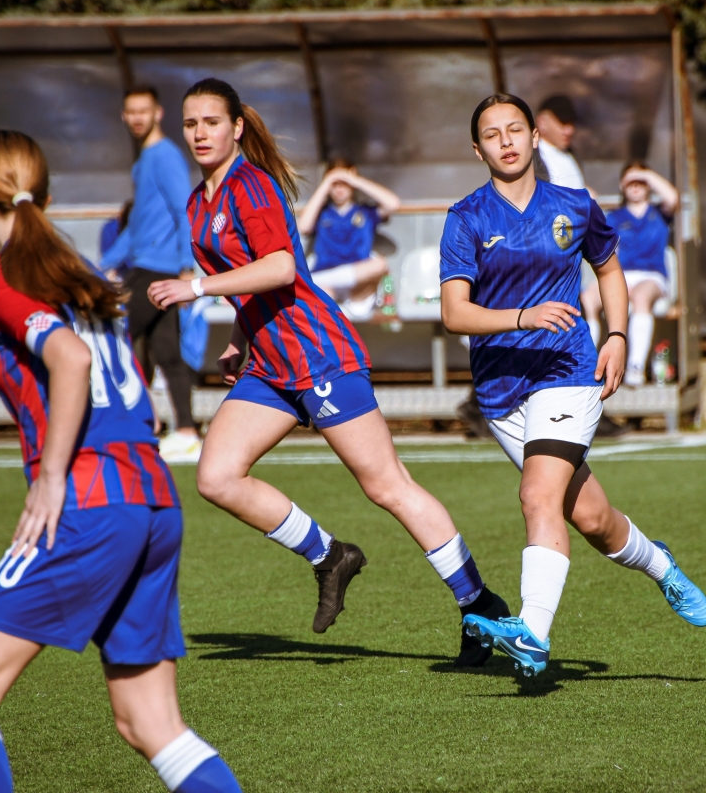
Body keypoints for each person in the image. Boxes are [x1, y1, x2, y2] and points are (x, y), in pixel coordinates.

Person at [146, 78, 509, 666]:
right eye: (190, 124)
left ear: (237, 126)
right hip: (270, 365)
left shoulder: (252, 185)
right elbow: (252, 280)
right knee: (216, 476)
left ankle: (480, 604)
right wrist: (241, 338)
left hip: (317, 355)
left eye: (211, 122)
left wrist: (197, 287)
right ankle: (330, 556)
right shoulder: (198, 201)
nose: (199, 134)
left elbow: (283, 267)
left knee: (386, 485)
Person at [0, 130, 242, 793]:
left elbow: (69, 360)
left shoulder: (1, 278)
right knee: (149, 724)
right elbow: (135, 400)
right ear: (45, 195)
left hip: (90, 502)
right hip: (154, 501)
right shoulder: (75, 274)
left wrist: (48, 480)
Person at [439, 94, 706, 678]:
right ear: (477, 149)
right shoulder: (466, 218)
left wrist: (615, 334)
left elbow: (608, 267)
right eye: (492, 134)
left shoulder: (576, 205)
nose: (506, 141)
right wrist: (521, 317)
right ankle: (662, 566)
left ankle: (532, 632)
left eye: (516, 129)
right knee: (591, 519)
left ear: (537, 137)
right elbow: (454, 314)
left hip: (566, 374)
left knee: (538, 498)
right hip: (500, 392)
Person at [101, 86, 201, 463]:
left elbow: (183, 210)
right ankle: (188, 432)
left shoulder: (165, 156)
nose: (138, 118)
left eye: (144, 110)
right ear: (124, 117)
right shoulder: (143, 161)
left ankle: (139, 423)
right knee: (167, 354)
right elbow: (136, 228)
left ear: (158, 113)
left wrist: (186, 266)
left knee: (111, 335)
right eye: (132, 112)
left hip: (159, 271)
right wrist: (100, 263)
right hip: (145, 265)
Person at [582, 162, 680, 386]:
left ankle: (634, 367)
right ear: (622, 185)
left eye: (641, 183)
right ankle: (587, 363)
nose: (635, 187)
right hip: (622, 275)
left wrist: (645, 174)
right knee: (588, 298)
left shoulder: (659, 214)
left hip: (651, 276)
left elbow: (673, 198)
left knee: (641, 297)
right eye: (630, 182)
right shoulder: (614, 218)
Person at [296, 159, 399, 321]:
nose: (339, 188)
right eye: (334, 184)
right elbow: (303, 227)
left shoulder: (365, 212)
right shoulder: (322, 213)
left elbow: (393, 204)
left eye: (343, 183)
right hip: (325, 280)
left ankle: (341, 297)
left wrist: (354, 180)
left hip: (357, 289)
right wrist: (326, 183)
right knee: (323, 295)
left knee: (380, 264)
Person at [535, 94, 585, 190]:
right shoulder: (529, 159)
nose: (569, 130)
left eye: (572, 123)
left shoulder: (573, 155)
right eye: (563, 123)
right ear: (542, 122)